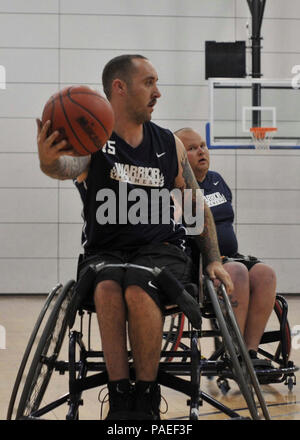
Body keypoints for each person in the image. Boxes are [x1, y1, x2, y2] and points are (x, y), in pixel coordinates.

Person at [36, 55, 233, 420]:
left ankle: (146, 396)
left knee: (139, 286)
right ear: (119, 87)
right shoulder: (92, 140)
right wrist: (47, 159)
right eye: (149, 83)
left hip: (161, 251)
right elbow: (63, 168)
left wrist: (215, 260)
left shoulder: (167, 144)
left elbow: (196, 207)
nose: (158, 92)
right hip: (106, 251)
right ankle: (120, 396)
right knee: (108, 287)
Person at [175, 127, 277, 365]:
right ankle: (235, 352)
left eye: (203, 145)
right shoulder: (176, 188)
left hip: (230, 257)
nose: (201, 151)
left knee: (265, 274)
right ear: (179, 155)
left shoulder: (217, 180)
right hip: (198, 265)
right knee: (237, 273)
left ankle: (250, 353)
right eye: (192, 148)